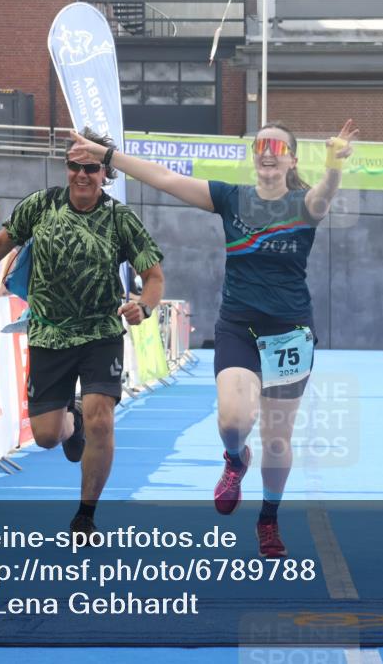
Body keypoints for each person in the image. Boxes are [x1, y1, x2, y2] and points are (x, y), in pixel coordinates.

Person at [67, 119, 358, 558]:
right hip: (239, 326)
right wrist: (106, 155)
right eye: (261, 144)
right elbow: (164, 178)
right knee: (233, 423)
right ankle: (235, 459)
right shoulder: (230, 198)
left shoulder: (303, 205)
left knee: (277, 438)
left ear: (292, 160)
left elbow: (326, 194)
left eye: (279, 146)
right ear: (254, 155)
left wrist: (335, 165)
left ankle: (268, 519)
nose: (269, 152)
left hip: (289, 333)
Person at [0, 133, 165, 537]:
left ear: (105, 172)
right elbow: (0, 244)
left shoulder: (120, 218)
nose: (81, 174)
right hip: (48, 335)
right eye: (74, 166)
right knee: (45, 436)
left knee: (102, 421)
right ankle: (71, 418)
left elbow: (154, 276)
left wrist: (144, 307)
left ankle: (85, 515)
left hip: (100, 332)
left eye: (90, 167)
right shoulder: (40, 205)